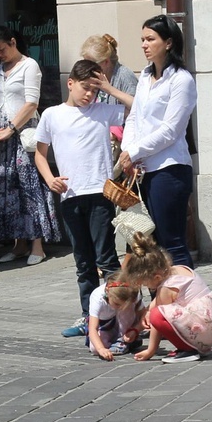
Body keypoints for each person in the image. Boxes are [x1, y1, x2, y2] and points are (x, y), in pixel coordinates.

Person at [34, 59, 124, 337]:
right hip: (70, 196)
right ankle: (90, 317)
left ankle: (122, 316)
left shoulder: (103, 111)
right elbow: (40, 152)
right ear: (70, 83)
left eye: (94, 91)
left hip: (99, 193)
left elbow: (139, 106)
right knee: (83, 262)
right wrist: (50, 179)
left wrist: (109, 87)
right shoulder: (52, 114)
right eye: (85, 88)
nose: (89, 95)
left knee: (107, 259)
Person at [0, 26, 60, 264]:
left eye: (2, 49)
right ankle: (18, 243)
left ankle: (37, 245)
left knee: (28, 186)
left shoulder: (29, 65)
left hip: (22, 133)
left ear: (13, 43)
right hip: (2, 135)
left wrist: (10, 129)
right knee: (6, 188)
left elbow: (31, 103)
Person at [118, 14, 197, 268]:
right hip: (143, 170)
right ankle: (158, 300)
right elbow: (134, 117)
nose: (144, 44)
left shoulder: (181, 79)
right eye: (142, 39)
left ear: (169, 43)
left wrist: (135, 150)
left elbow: (171, 130)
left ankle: (186, 300)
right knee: (147, 244)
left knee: (171, 242)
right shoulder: (144, 77)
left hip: (169, 169)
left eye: (150, 39)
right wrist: (127, 150)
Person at [122, 233, 212, 364]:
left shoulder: (167, 287)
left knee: (156, 315)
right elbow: (154, 304)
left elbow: (156, 320)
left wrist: (151, 350)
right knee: (155, 312)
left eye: (145, 283)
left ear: (157, 278)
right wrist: (136, 328)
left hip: (203, 331)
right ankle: (192, 346)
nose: (146, 287)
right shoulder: (179, 269)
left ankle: (187, 349)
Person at [81, 34, 137, 171]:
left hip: (121, 148)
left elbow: (137, 108)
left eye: (91, 63)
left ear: (105, 62)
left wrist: (110, 89)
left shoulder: (124, 76)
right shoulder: (95, 76)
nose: (87, 67)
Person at [86, 273, 146, 361]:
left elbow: (145, 317)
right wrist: (101, 349)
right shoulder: (97, 297)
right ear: (107, 291)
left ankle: (123, 340)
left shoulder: (133, 293)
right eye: (117, 304)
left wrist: (135, 329)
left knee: (125, 310)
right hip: (106, 322)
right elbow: (92, 328)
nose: (119, 307)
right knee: (95, 349)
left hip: (126, 320)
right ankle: (127, 341)